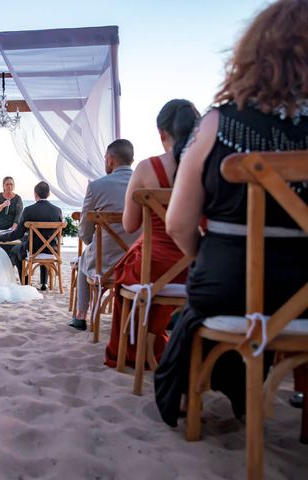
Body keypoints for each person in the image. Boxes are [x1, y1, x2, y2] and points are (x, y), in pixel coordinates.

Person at [155, 0, 308, 427]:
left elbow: (179, 224)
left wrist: (208, 258)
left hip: (227, 284)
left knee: (193, 311)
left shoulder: (216, 125)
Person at [104, 99, 200, 368]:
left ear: (161, 134)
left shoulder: (147, 169)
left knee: (126, 273)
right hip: (197, 266)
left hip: (154, 269)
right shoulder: (209, 166)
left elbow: (130, 224)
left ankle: (136, 350)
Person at [69, 139, 140, 330]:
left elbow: (84, 232)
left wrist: (93, 243)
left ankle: (81, 316)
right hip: (138, 263)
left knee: (84, 258)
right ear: (132, 159)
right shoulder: (144, 185)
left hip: (105, 265)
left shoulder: (96, 187)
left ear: (110, 159)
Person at [0, 181, 63, 289]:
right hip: (52, 250)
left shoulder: (28, 210)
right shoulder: (57, 211)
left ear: (35, 194)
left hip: (33, 250)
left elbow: (18, 233)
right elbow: (56, 234)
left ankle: (26, 282)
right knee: (44, 242)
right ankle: (44, 283)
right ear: (49, 194)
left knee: (15, 250)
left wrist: (1, 238)